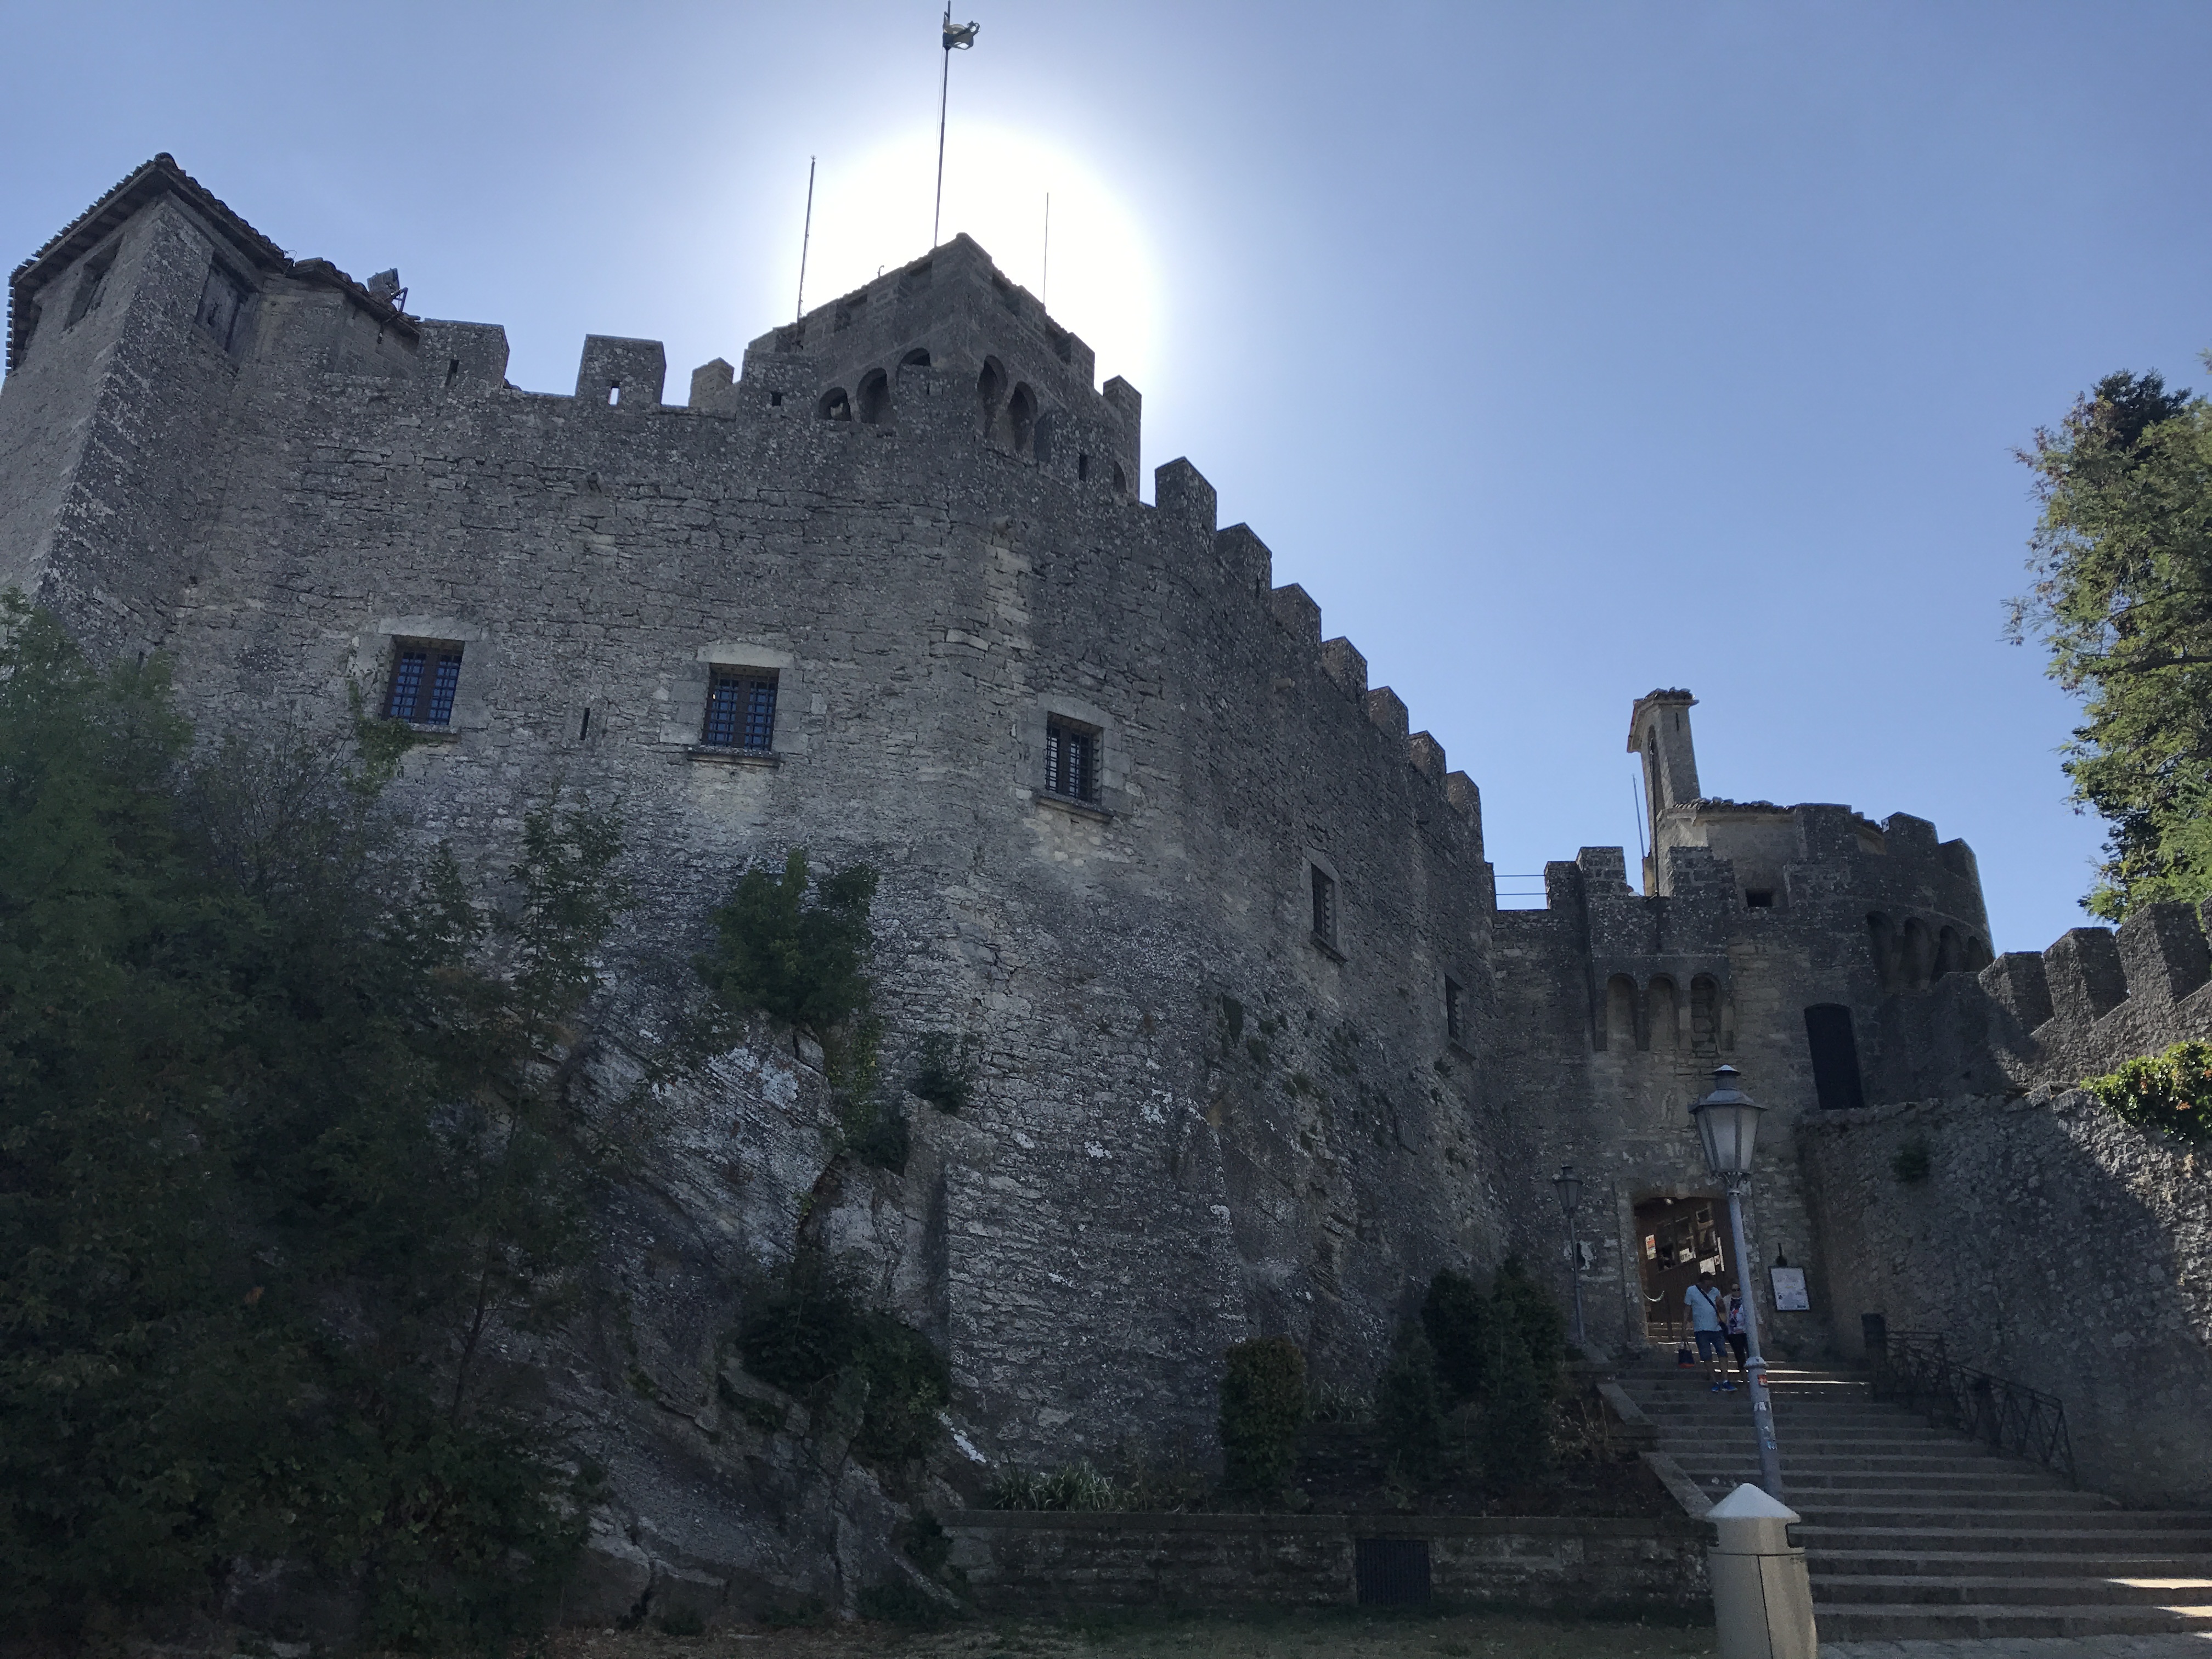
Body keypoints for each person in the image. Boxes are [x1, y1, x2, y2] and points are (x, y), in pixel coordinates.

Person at [1685, 1271, 1734, 1392]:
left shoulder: (1715, 1291)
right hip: (1701, 1329)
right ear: (1701, 1283)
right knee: (1706, 1355)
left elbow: (1722, 1308)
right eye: (1707, 1286)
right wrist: (1684, 1327)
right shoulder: (1691, 1291)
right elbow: (1687, 1309)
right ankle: (1714, 1380)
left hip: (1716, 1328)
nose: (1709, 1288)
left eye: (1711, 1285)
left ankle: (1725, 1379)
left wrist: (1721, 1304)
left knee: (1722, 1353)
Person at [1724, 1289, 1750, 1379]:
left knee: (1752, 1354)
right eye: (1734, 1290)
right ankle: (1745, 1379)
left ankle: (1756, 1377)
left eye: (1738, 1289)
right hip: (1733, 1332)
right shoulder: (1726, 1300)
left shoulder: (1747, 1299)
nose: (1737, 1292)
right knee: (1740, 1355)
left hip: (1747, 1331)